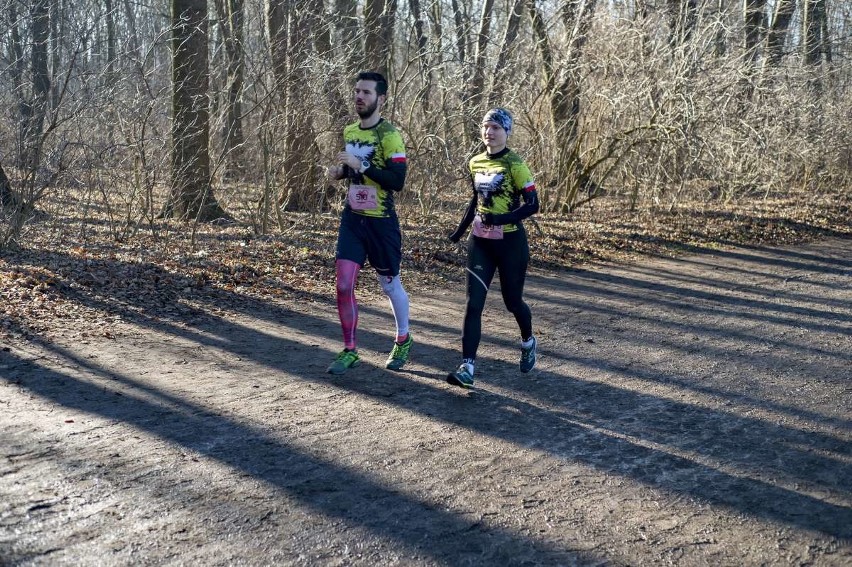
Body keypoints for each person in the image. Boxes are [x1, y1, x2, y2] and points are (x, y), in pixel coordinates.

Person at [325, 71, 412, 375]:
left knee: (389, 285)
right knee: (344, 284)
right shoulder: (350, 132)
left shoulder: (390, 136)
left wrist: (360, 164)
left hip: (381, 223)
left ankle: (403, 338)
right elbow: (356, 175)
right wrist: (342, 173)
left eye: (366, 92)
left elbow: (396, 181)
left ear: (381, 99)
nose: (359, 97)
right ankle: (350, 349)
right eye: (357, 91)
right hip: (353, 220)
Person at [446, 108, 539, 388]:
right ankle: (467, 368)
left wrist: (500, 218)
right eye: (486, 126)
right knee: (473, 305)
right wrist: (460, 231)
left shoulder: (515, 164)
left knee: (513, 303)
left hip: (511, 243)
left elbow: (534, 205)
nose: (490, 132)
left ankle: (528, 341)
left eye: (496, 128)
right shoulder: (475, 162)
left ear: (506, 132)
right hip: (481, 243)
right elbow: (476, 200)